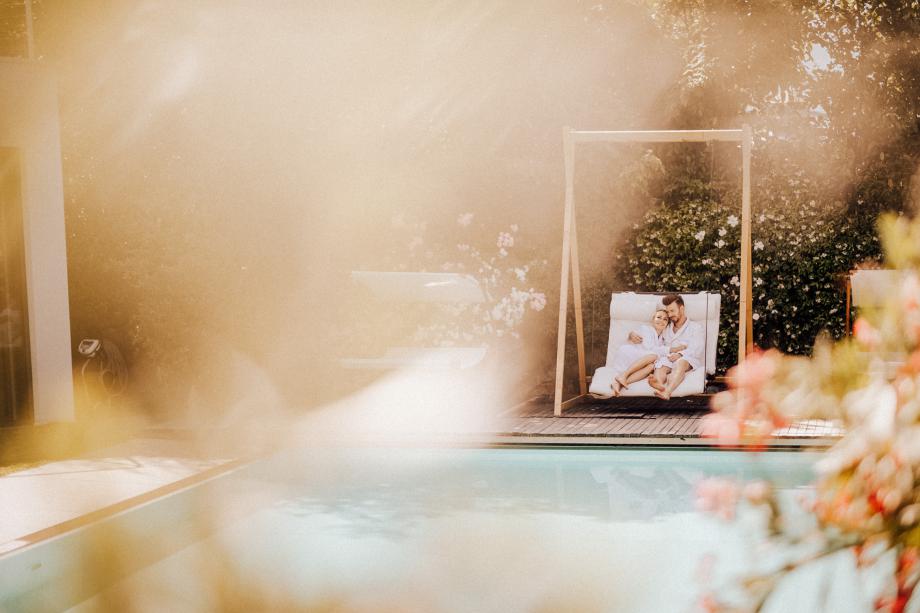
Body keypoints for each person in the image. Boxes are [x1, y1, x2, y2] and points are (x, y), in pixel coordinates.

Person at [647, 293, 705, 400]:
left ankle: (667, 392)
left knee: (680, 363)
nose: (669, 315)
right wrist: (633, 334)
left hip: (687, 358)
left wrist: (679, 354)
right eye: (668, 311)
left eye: (672, 311)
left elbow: (697, 349)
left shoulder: (695, 327)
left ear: (681, 309)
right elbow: (653, 336)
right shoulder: (666, 326)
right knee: (661, 365)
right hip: (668, 358)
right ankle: (659, 384)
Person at [610, 308, 670, 396]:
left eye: (665, 319)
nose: (662, 320)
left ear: (667, 324)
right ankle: (624, 375)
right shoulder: (645, 329)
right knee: (654, 356)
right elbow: (650, 348)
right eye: (659, 317)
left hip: (639, 360)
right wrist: (670, 350)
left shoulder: (662, 339)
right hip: (629, 353)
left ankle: (618, 383)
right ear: (653, 319)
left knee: (651, 367)